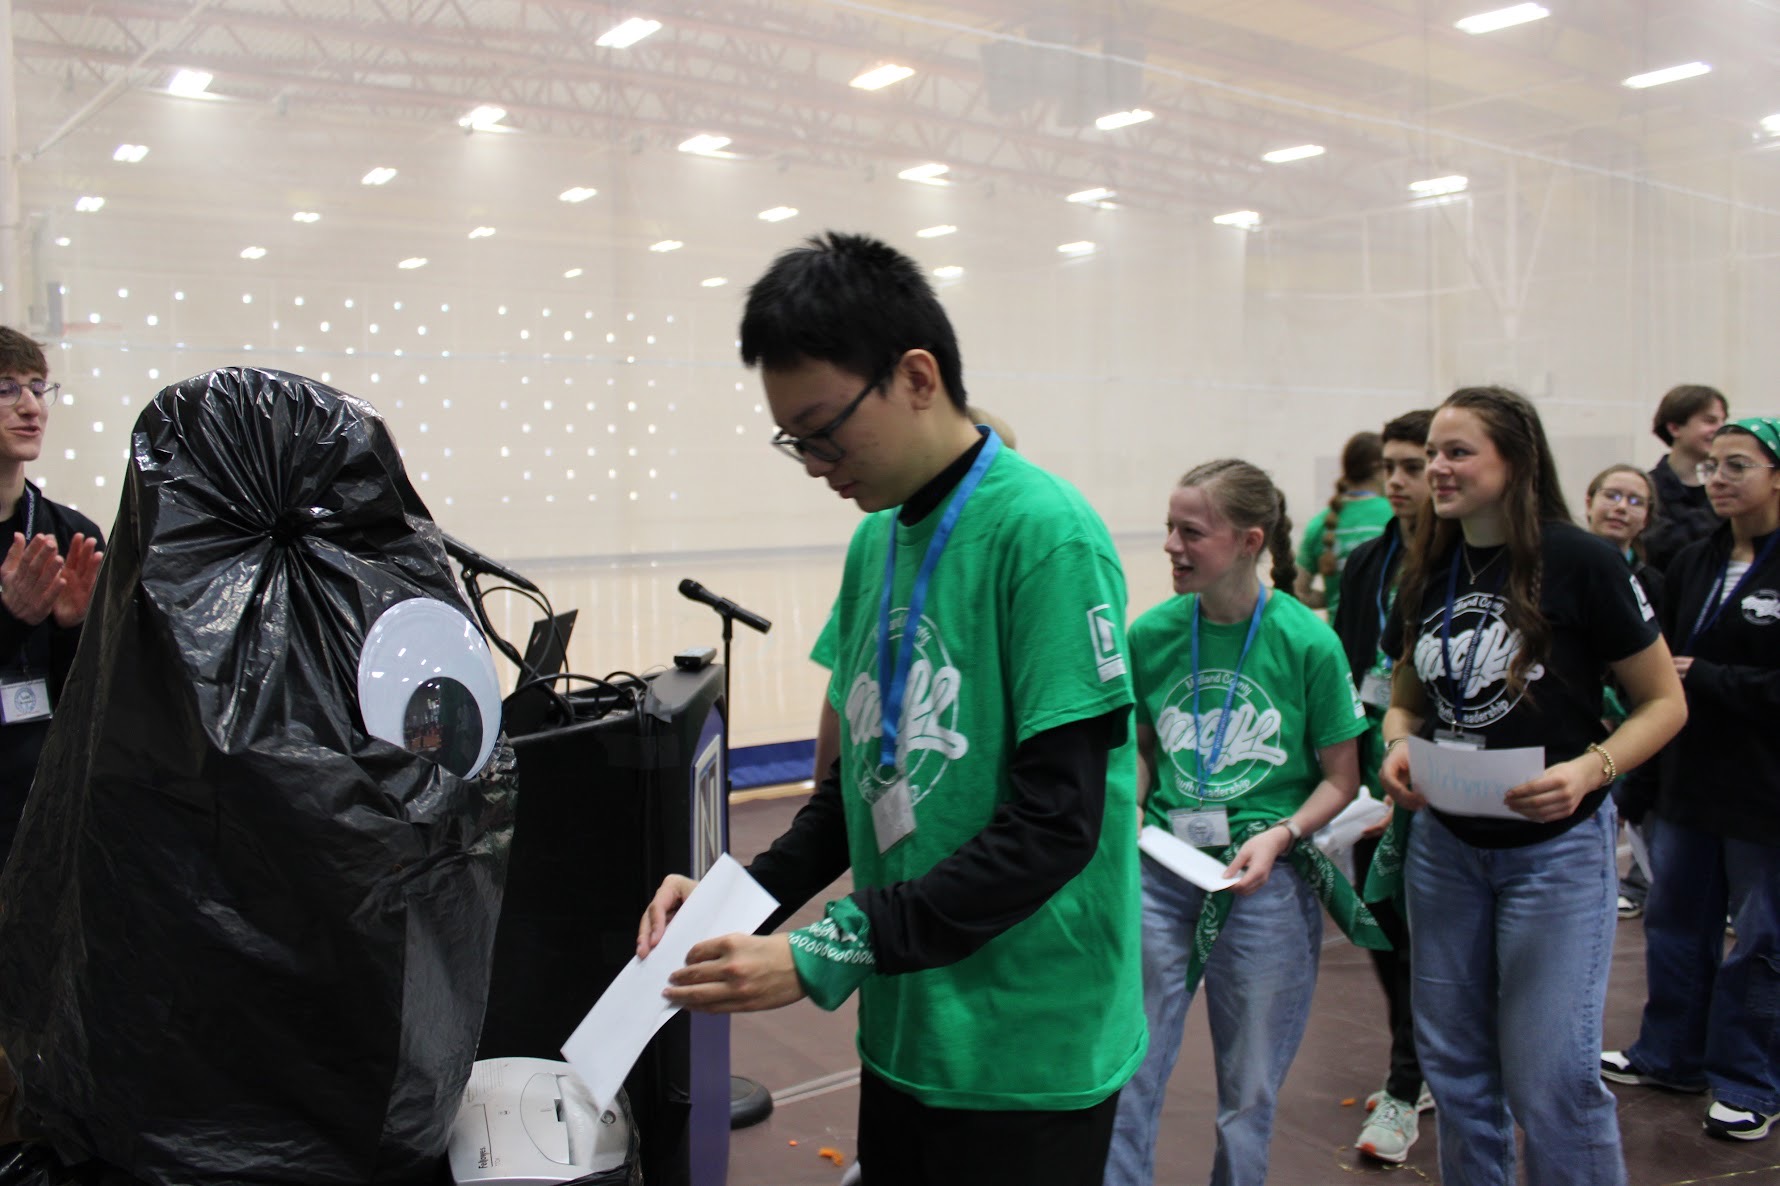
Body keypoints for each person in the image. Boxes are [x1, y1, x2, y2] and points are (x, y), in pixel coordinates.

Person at [637, 232, 1145, 1185]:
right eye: (796, 440)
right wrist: (727, 899)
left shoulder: (1044, 535)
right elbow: (853, 792)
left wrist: (824, 950)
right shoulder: (878, 543)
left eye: (827, 429)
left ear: (917, 377)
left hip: (1026, 1043)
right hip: (914, 1021)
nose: (816, 462)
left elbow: (1056, 826)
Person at [1376, 385, 1687, 1186]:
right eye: (1430, 455)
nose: (1436, 470)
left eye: (1456, 452)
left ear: (1514, 462)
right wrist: (1397, 745)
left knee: (1552, 1076)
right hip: (1446, 850)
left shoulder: (1579, 561)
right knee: (1457, 1071)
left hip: (1555, 855)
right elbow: (1407, 695)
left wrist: (1591, 769)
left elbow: (1664, 702)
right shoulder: (1429, 562)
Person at [1104, 459, 1384, 1186]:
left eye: (1190, 531)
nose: (1170, 545)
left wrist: (1284, 834)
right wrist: (1133, 806)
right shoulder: (1154, 633)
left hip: (1266, 881)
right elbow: (1141, 745)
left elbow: (1341, 778)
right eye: (1170, 527)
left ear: (1249, 539)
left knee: (1249, 1087)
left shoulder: (1307, 642)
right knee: (1130, 1066)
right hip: (1164, 870)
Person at [1602, 417, 1780, 1142]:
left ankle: (1749, 1081)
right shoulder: (1692, 560)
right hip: (1690, 783)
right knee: (1676, 924)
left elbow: (1705, 675)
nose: (1719, 478)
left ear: (1777, 476)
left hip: (1766, 794)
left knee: (1762, 941)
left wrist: (1711, 679)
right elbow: (1657, 669)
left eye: (1738, 464)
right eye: (1711, 466)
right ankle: (1670, 1053)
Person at [1330, 408, 1435, 1163]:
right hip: (1370, 779)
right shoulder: (1368, 560)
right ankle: (1419, 1064)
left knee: (1426, 946)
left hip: (1436, 784)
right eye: (1391, 467)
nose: (1398, 481)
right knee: (1382, 931)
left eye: (1414, 467)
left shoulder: (1460, 560)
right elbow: (1344, 661)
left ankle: (1408, 1082)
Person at [0, 326, 104, 863]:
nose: (30, 407)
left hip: (44, 808)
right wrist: (11, 620)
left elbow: (87, 700)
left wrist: (75, 629)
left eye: (38, 387)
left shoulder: (70, 534)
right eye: (6, 389)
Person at [1582, 465, 1665, 920]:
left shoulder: (1653, 586)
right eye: (1612, 495)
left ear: (1647, 518)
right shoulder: (1553, 572)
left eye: (1635, 501)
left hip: (1631, 733)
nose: (1621, 508)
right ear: (1589, 501)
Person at [1294, 431, 1392, 616]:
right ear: (1379, 468)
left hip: (1338, 640)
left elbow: (1298, 593)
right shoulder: (1396, 515)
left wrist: (1336, 598)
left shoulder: (1320, 524)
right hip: (1387, 640)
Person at [1644, 384, 1728, 572]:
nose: (1720, 429)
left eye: (1723, 421)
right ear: (1674, 428)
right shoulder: (1648, 488)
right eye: (1710, 421)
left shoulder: (1729, 488)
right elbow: (1661, 546)